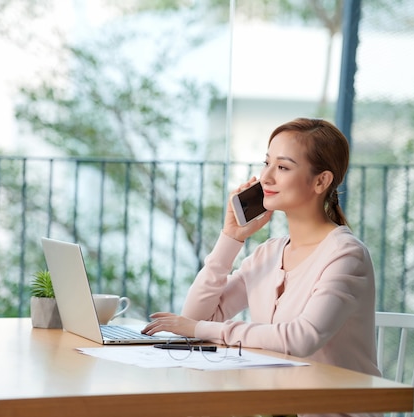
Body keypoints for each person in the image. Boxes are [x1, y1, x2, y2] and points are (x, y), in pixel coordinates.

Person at [143, 118, 380, 417]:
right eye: (266, 163)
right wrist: (230, 238)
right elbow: (194, 318)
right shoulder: (268, 253)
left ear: (321, 181)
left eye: (282, 167)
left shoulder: (347, 255)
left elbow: (300, 339)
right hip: (276, 405)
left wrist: (198, 328)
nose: (265, 178)